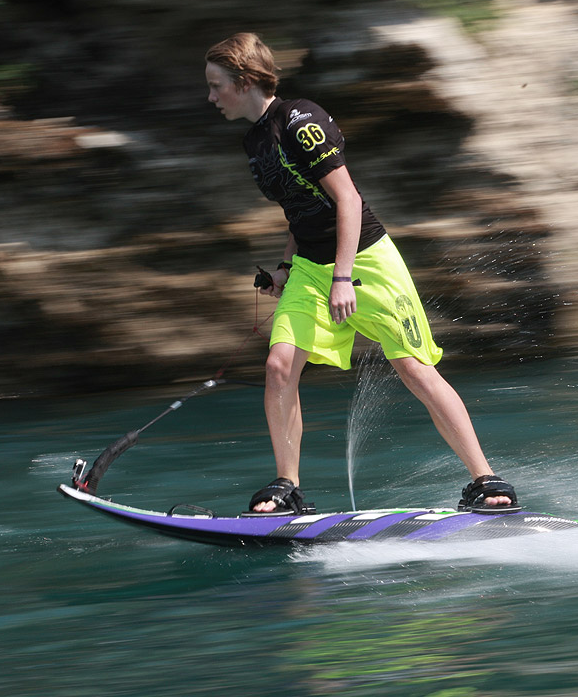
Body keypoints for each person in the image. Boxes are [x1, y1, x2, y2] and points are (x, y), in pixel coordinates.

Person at [204, 32, 517, 515]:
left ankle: (485, 479)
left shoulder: (299, 119)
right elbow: (299, 210)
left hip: (367, 260)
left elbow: (347, 199)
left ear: (243, 81)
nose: (211, 97)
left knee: (414, 369)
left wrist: (344, 276)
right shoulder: (253, 141)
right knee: (279, 366)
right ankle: (287, 487)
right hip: (310, 267)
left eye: (216, 85)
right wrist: (287, 268)